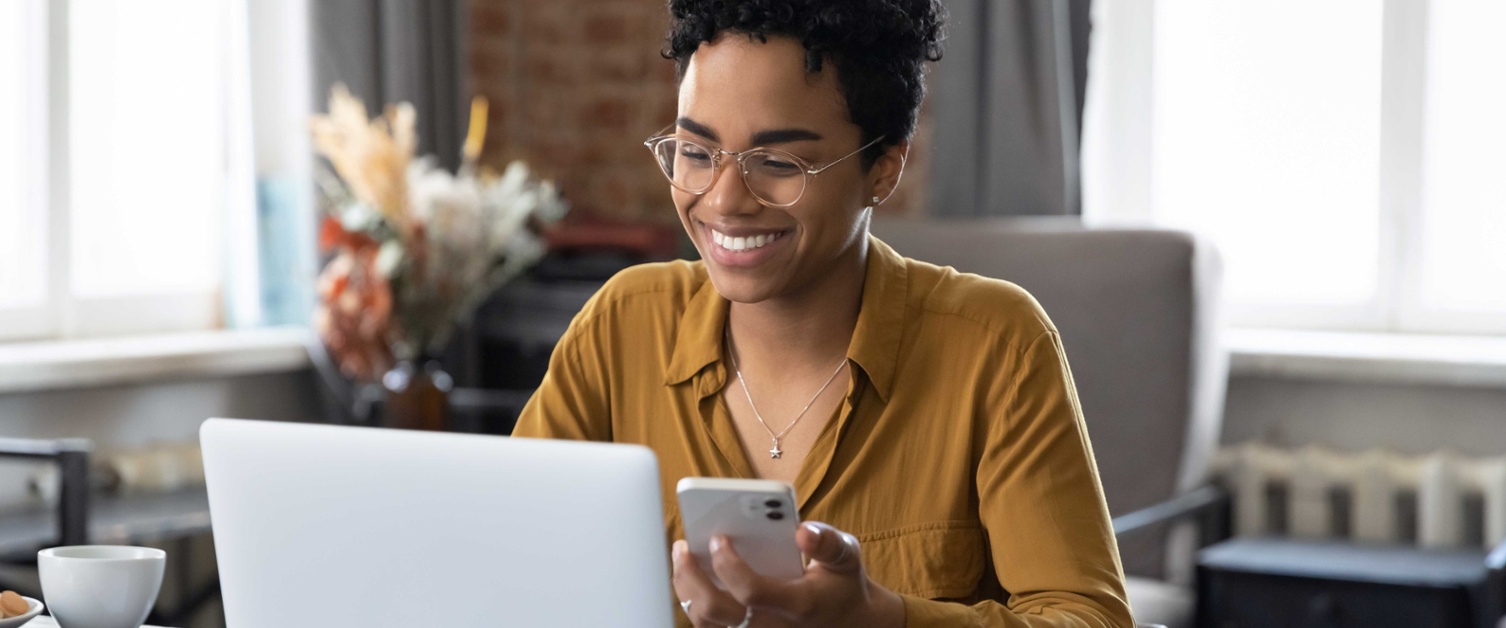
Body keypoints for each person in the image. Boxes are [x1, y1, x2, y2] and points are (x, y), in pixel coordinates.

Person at [512, 1, 1134, 626]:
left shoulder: (996, 346)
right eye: (697, 152)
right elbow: (510, 562)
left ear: (883, 169)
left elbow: (1089, 618)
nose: (724, 202)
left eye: (779, 163)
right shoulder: (623, 326)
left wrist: (881, 617)